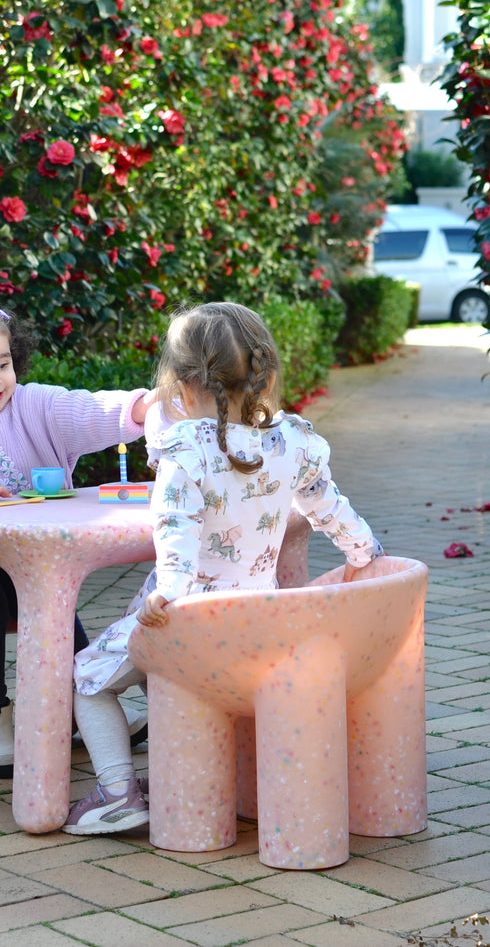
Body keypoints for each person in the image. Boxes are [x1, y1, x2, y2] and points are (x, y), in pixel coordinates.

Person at [63, 301, 384, 835]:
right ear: (266, 377)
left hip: (187, 622)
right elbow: (330, 508)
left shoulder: (183, 452)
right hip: (254, 624)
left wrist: (167, 592)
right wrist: (364, 554)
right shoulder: (291, 442)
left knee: (89, 681)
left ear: (182, 389)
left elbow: (175, 536)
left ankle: (118, 791)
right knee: (149, 674)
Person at [0, 300, 153, 778]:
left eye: (3, 363)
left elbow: (87, 410)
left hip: (37, 563)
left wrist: (141, 407)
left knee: (53, 585)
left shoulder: (36, 405)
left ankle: (83, 697)